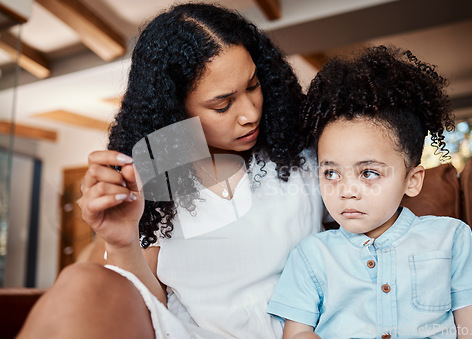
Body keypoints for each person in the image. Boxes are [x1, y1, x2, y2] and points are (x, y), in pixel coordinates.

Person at [18, 3, 324, 339]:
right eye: (222, 104)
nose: (250, 113)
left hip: (302, 328)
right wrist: (122, 244)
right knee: (81, 280)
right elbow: (150, 303)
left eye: (252, 86)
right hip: (197, 333)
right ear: (176, 110)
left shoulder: (295, 142)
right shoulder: (163, 164)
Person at [267, 46, 472, 339]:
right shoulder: (311, 255)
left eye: (368, 173)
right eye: (331, 173)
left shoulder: (451, 238)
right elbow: (297, 333)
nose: (346, 191)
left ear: (412, 180)